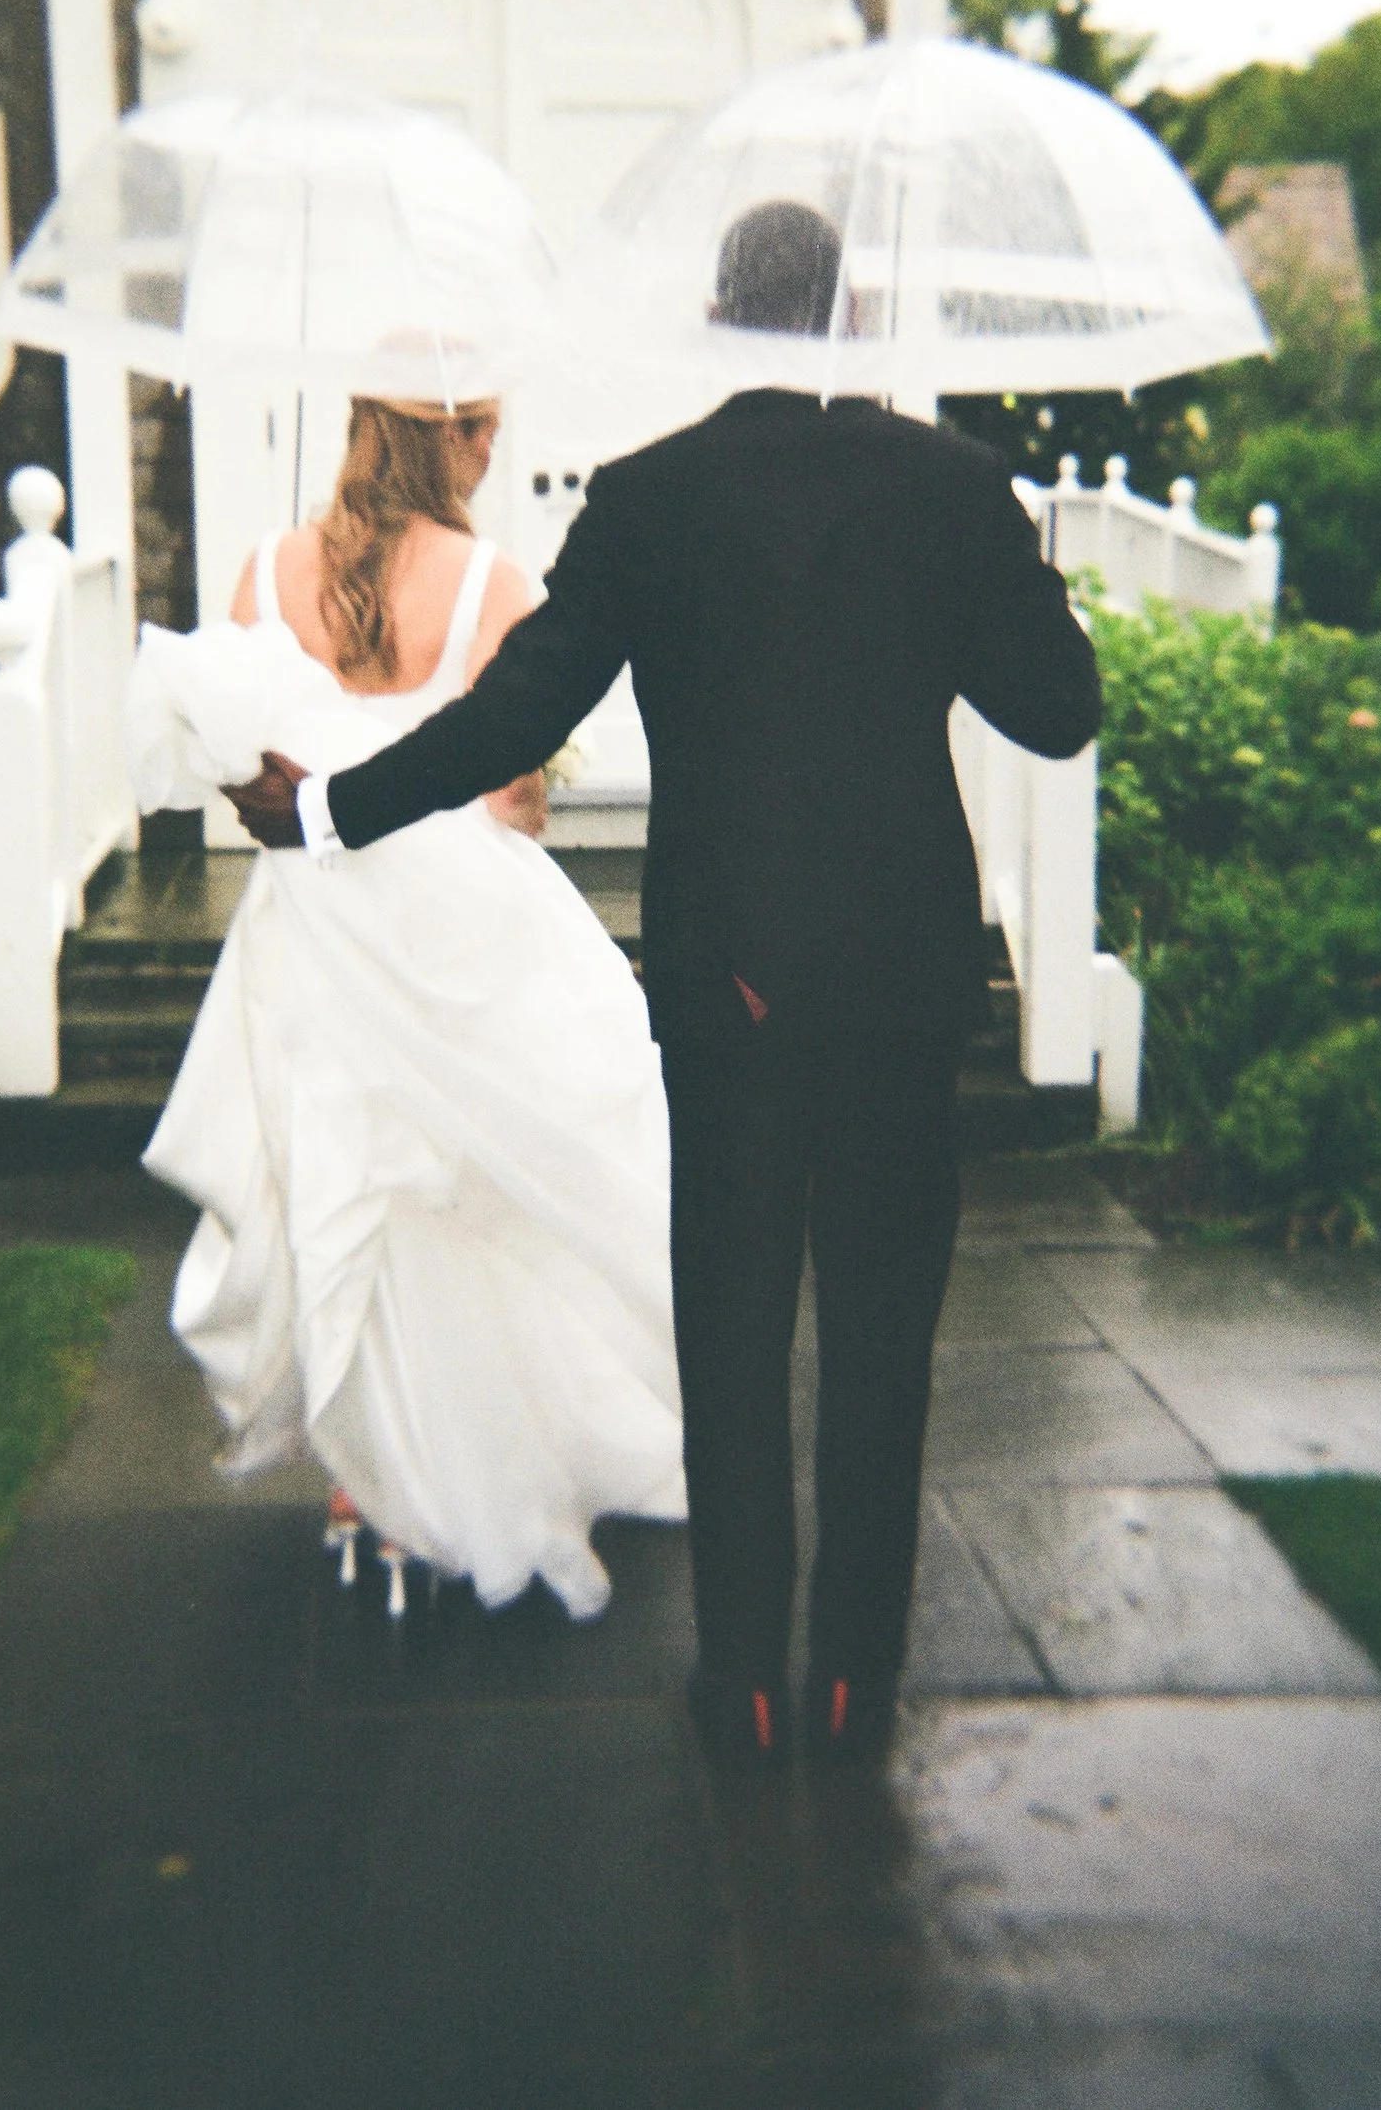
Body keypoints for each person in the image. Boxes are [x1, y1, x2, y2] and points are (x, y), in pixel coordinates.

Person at [226, 201, 1102, 1768]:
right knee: (889, 1336)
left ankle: (744, 1678)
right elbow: (1059, 710)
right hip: (903, 970)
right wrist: (1004, 564)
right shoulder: (953, 489)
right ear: (847, 314)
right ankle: (853, 1679)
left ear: (725, 313)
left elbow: (514, 712)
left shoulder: (650, 497)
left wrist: (324, 806)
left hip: (732, 975)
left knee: (735, 1328)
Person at [126, 390, 687, 1623]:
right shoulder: (490, 579)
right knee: (479, 1195)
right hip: (463, 937)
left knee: (346, 1190)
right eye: (479, 425)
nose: (494, 448)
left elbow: (245, 782)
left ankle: (369, 1480)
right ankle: (488, 1453)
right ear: (439, 434)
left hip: (316, 939)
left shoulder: (264, 576)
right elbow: (516, 800)